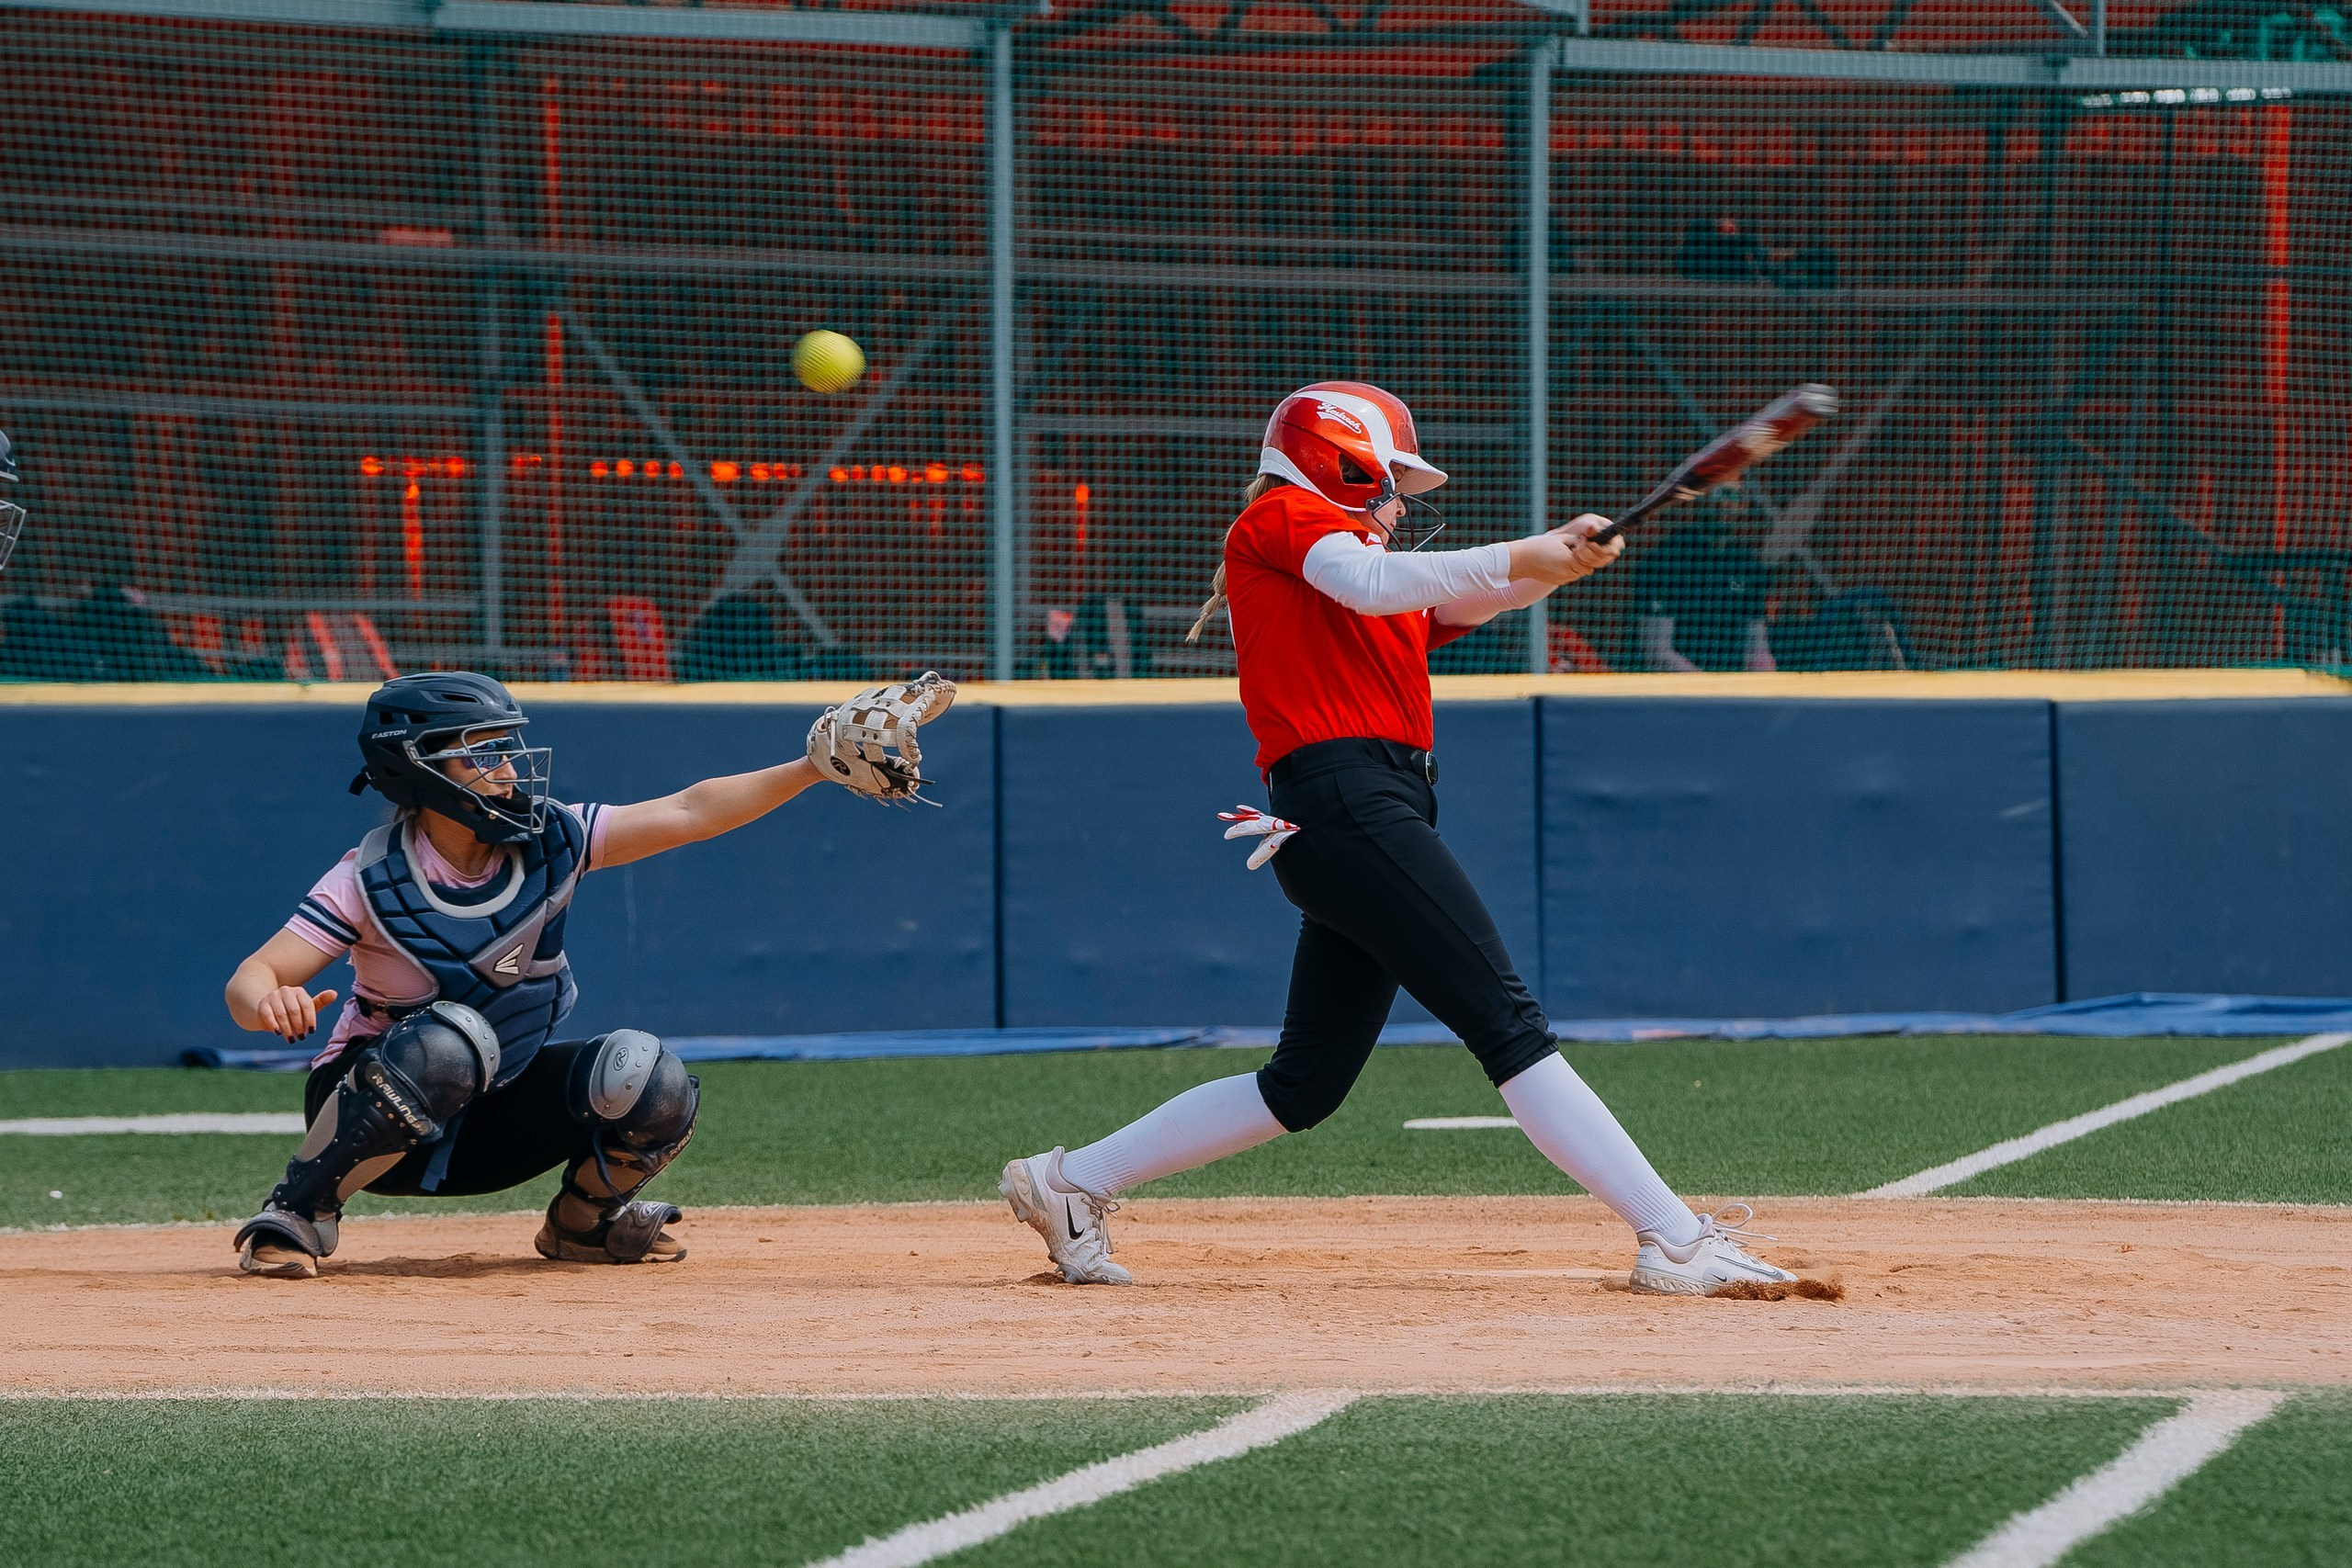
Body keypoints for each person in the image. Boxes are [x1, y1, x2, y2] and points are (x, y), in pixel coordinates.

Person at [1000, 382, 1799, 1296]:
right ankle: (1676, 1239)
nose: (1396, 505)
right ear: (1334, 462)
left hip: (1360, 810)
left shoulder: (1349, 565)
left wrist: (1554, 564)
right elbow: (1378, 582)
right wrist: (1524, 551)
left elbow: (1456, 604)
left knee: (1303, 1084)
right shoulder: (1285, 522)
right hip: (1347, 804)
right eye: (1385, 484)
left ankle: (1069, 1183)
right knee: (1507, 1024)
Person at [227, 667, 952, 1277]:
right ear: (419, 767)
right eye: (482, 754)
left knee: (648, 1074)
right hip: (374, 1120)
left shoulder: (552, 838)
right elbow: (251, 976)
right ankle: (297, 1210)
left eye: (504, 748)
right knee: (449, 1038)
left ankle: (582, 1223)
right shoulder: (369, 877)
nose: (508, 769)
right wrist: (273, 999)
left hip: (493, 1118)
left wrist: (810, 767)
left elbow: (688, 809)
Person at [1631, 488, 1777, 672]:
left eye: (1733, 497)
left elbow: (1757, 647)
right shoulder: (1667, 559)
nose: (1725, 505)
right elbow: (1656, 651)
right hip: (1672, 690)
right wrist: (1708, 689)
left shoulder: (1748, 565)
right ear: (1700, 501)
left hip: (1732, 689)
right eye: (1719, 495)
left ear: (1743, 506)